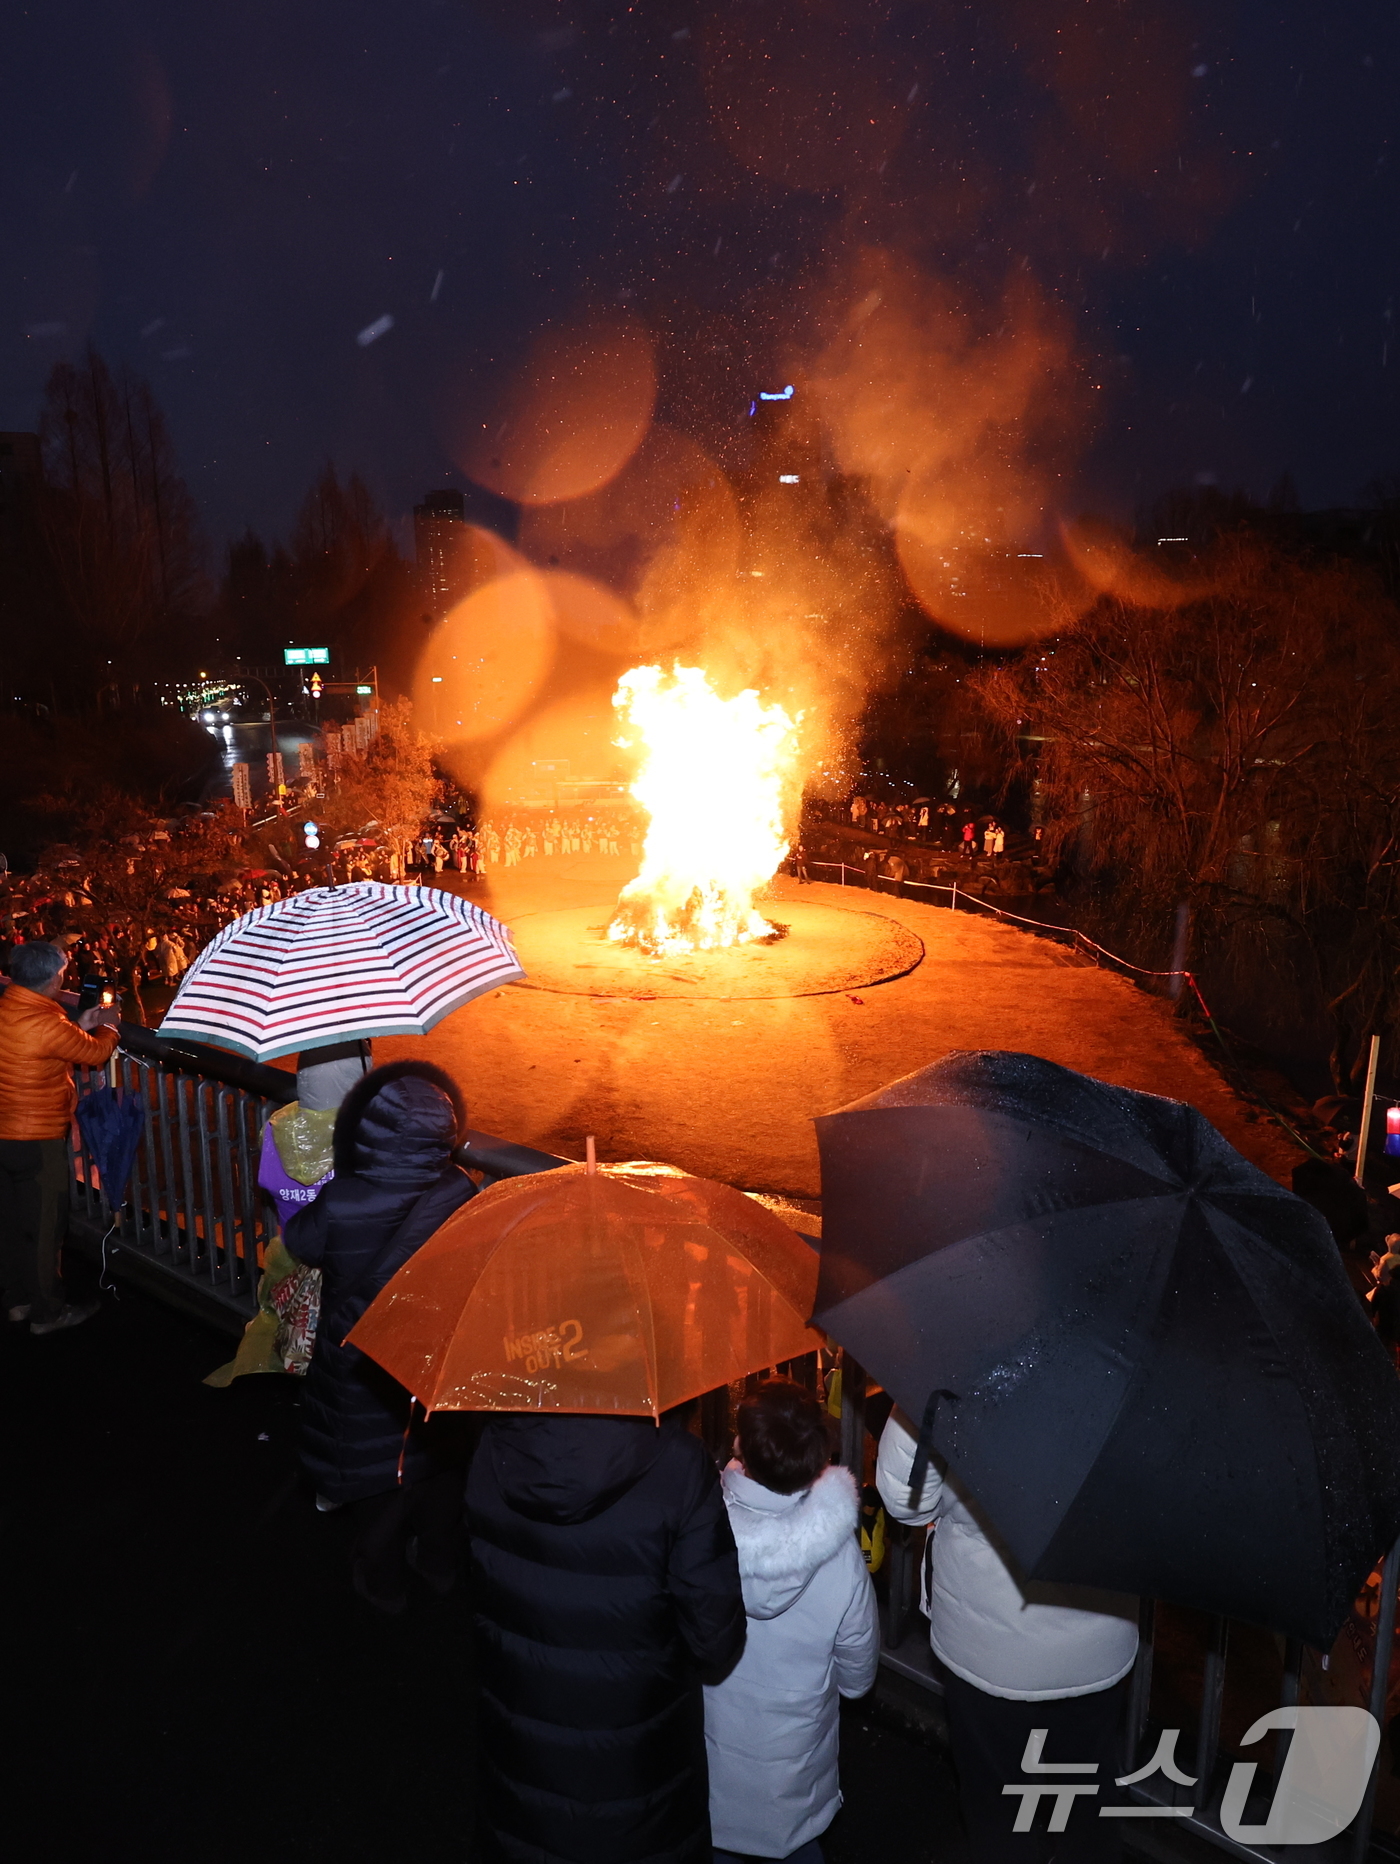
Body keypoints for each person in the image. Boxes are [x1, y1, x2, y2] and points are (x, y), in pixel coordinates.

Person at [467, 1405, 746, 1864]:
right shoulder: (677, 1463)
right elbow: (715, 1640)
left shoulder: (494, 1449)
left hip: (525, 1755)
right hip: (639, 1772)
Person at [877, 1411, 1138, 1861]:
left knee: (996, 1801)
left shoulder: (960, 1362)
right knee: (1086, 1792)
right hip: (1097, 1629)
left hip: (988, 1639)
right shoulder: (1139, 1370)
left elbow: (908, 1501)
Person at [286, 1060, 475, 1612]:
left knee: (375, 1480)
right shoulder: (460, 1191)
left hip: (360, 1363)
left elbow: (302, 1241)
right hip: (429, 1358)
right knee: (437, 1468)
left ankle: (383, 1586)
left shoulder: (346, 1199)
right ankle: (441, 1566)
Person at [704, 1380, 878, 1864]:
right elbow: (858, 1675)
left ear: (741, 1445)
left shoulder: (702, 1532)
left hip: (715, 1749)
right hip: (795, 1762)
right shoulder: (839, 1554)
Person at [0, 940, 119, 1333]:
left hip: (5, 1132)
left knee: (12, 1221)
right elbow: (96, 1053)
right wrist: (110, 1027)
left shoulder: (9, 1006)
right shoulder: (47, 1023)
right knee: (44, 1227)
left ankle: (15, 1301)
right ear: (54, 980)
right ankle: (47, 1312)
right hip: (36, 1138)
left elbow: (51, 1044)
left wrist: (76, 1027)